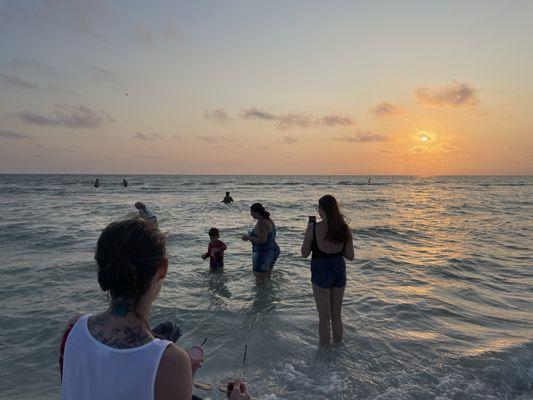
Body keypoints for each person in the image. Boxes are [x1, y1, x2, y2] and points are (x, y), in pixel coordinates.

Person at [59, 219, 251, 400]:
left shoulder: (73, 328)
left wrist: (183, 371)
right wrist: (180, 369)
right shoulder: (172, 361)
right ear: (163, 268)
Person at [301, 195, 354, 344]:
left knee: (324, 318)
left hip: (320, 269)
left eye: (318, 208)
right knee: (337, 315)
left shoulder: (314, 227)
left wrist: (307, 236)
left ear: (321, 209)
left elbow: (304, 254)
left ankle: (324, 356)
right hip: (338, 269)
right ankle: (338, 350)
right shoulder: (344, 228)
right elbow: (350, 256)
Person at [241, 203, 280, 285]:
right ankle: (268, 295)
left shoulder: (262, 223)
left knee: (259, 281)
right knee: (267, 277)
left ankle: (261, 297)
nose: (251, 214)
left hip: (264, 252)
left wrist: (248, 238)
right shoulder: (268, 219)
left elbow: (262, 240)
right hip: (273, 249)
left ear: (257, 212)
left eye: (252, 212)